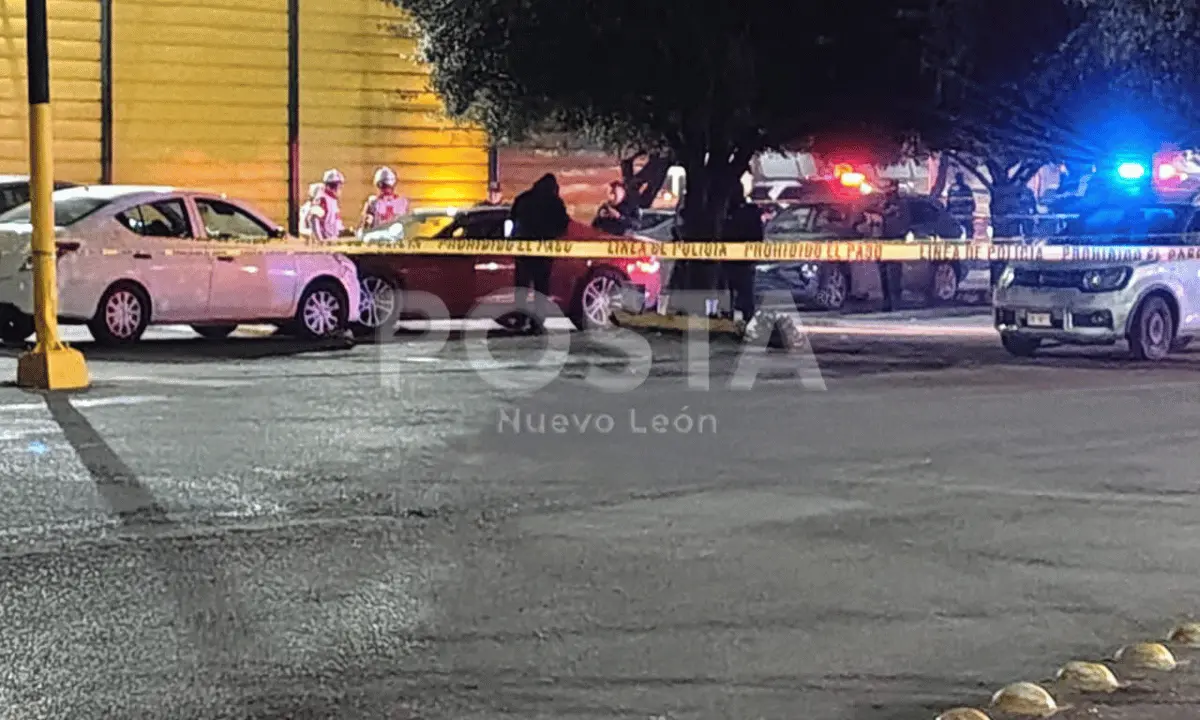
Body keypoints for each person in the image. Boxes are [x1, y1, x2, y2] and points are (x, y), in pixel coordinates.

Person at [509, 173, 569, 334]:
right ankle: (538, 322)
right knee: (541, 288)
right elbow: (563, 224)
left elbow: (512, 218)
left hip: (522, 249)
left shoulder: (523, 198)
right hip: (544, 251)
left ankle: (521, 319)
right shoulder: (554, 202)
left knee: (521, 287)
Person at [722, 192, 763, 322]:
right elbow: (759, 237)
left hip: (729, 261)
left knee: (729, 296)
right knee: (744, 296)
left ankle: (728, 320)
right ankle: (745, 320)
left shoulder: (725, 214)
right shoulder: (751, 213)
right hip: (742, 262)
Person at [877, 184, 907, 311]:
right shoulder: (884, 205)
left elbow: (904, 223)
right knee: (884, 274)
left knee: (895, 274)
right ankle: (887, 301)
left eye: (889, 194)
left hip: (896, 242)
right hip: (884, 242)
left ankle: (896, 302)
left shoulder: (901, 205)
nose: (888, 196)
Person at [357, 166, 409, 235]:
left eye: (386, 186)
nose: (385, 189)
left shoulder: (401, 202)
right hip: (381, 236)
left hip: (387, 237)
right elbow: (365, 226)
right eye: (383, 186)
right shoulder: (373, 202)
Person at [308, 169, 345, 241]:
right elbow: (314, 220)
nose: (340, 190)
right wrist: (320, 240)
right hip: (325, 240)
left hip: (333, 239)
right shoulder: (322, 199)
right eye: (338, 186)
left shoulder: (333, 200)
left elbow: (336, 220)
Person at [946, 172, 976, 237]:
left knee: (966, 231)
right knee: (967, 231)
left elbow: (948, 202)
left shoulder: (952, 188)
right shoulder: (966, 188)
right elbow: (972, 202)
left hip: (958, 215)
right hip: (963, 215)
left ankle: (965, 240)